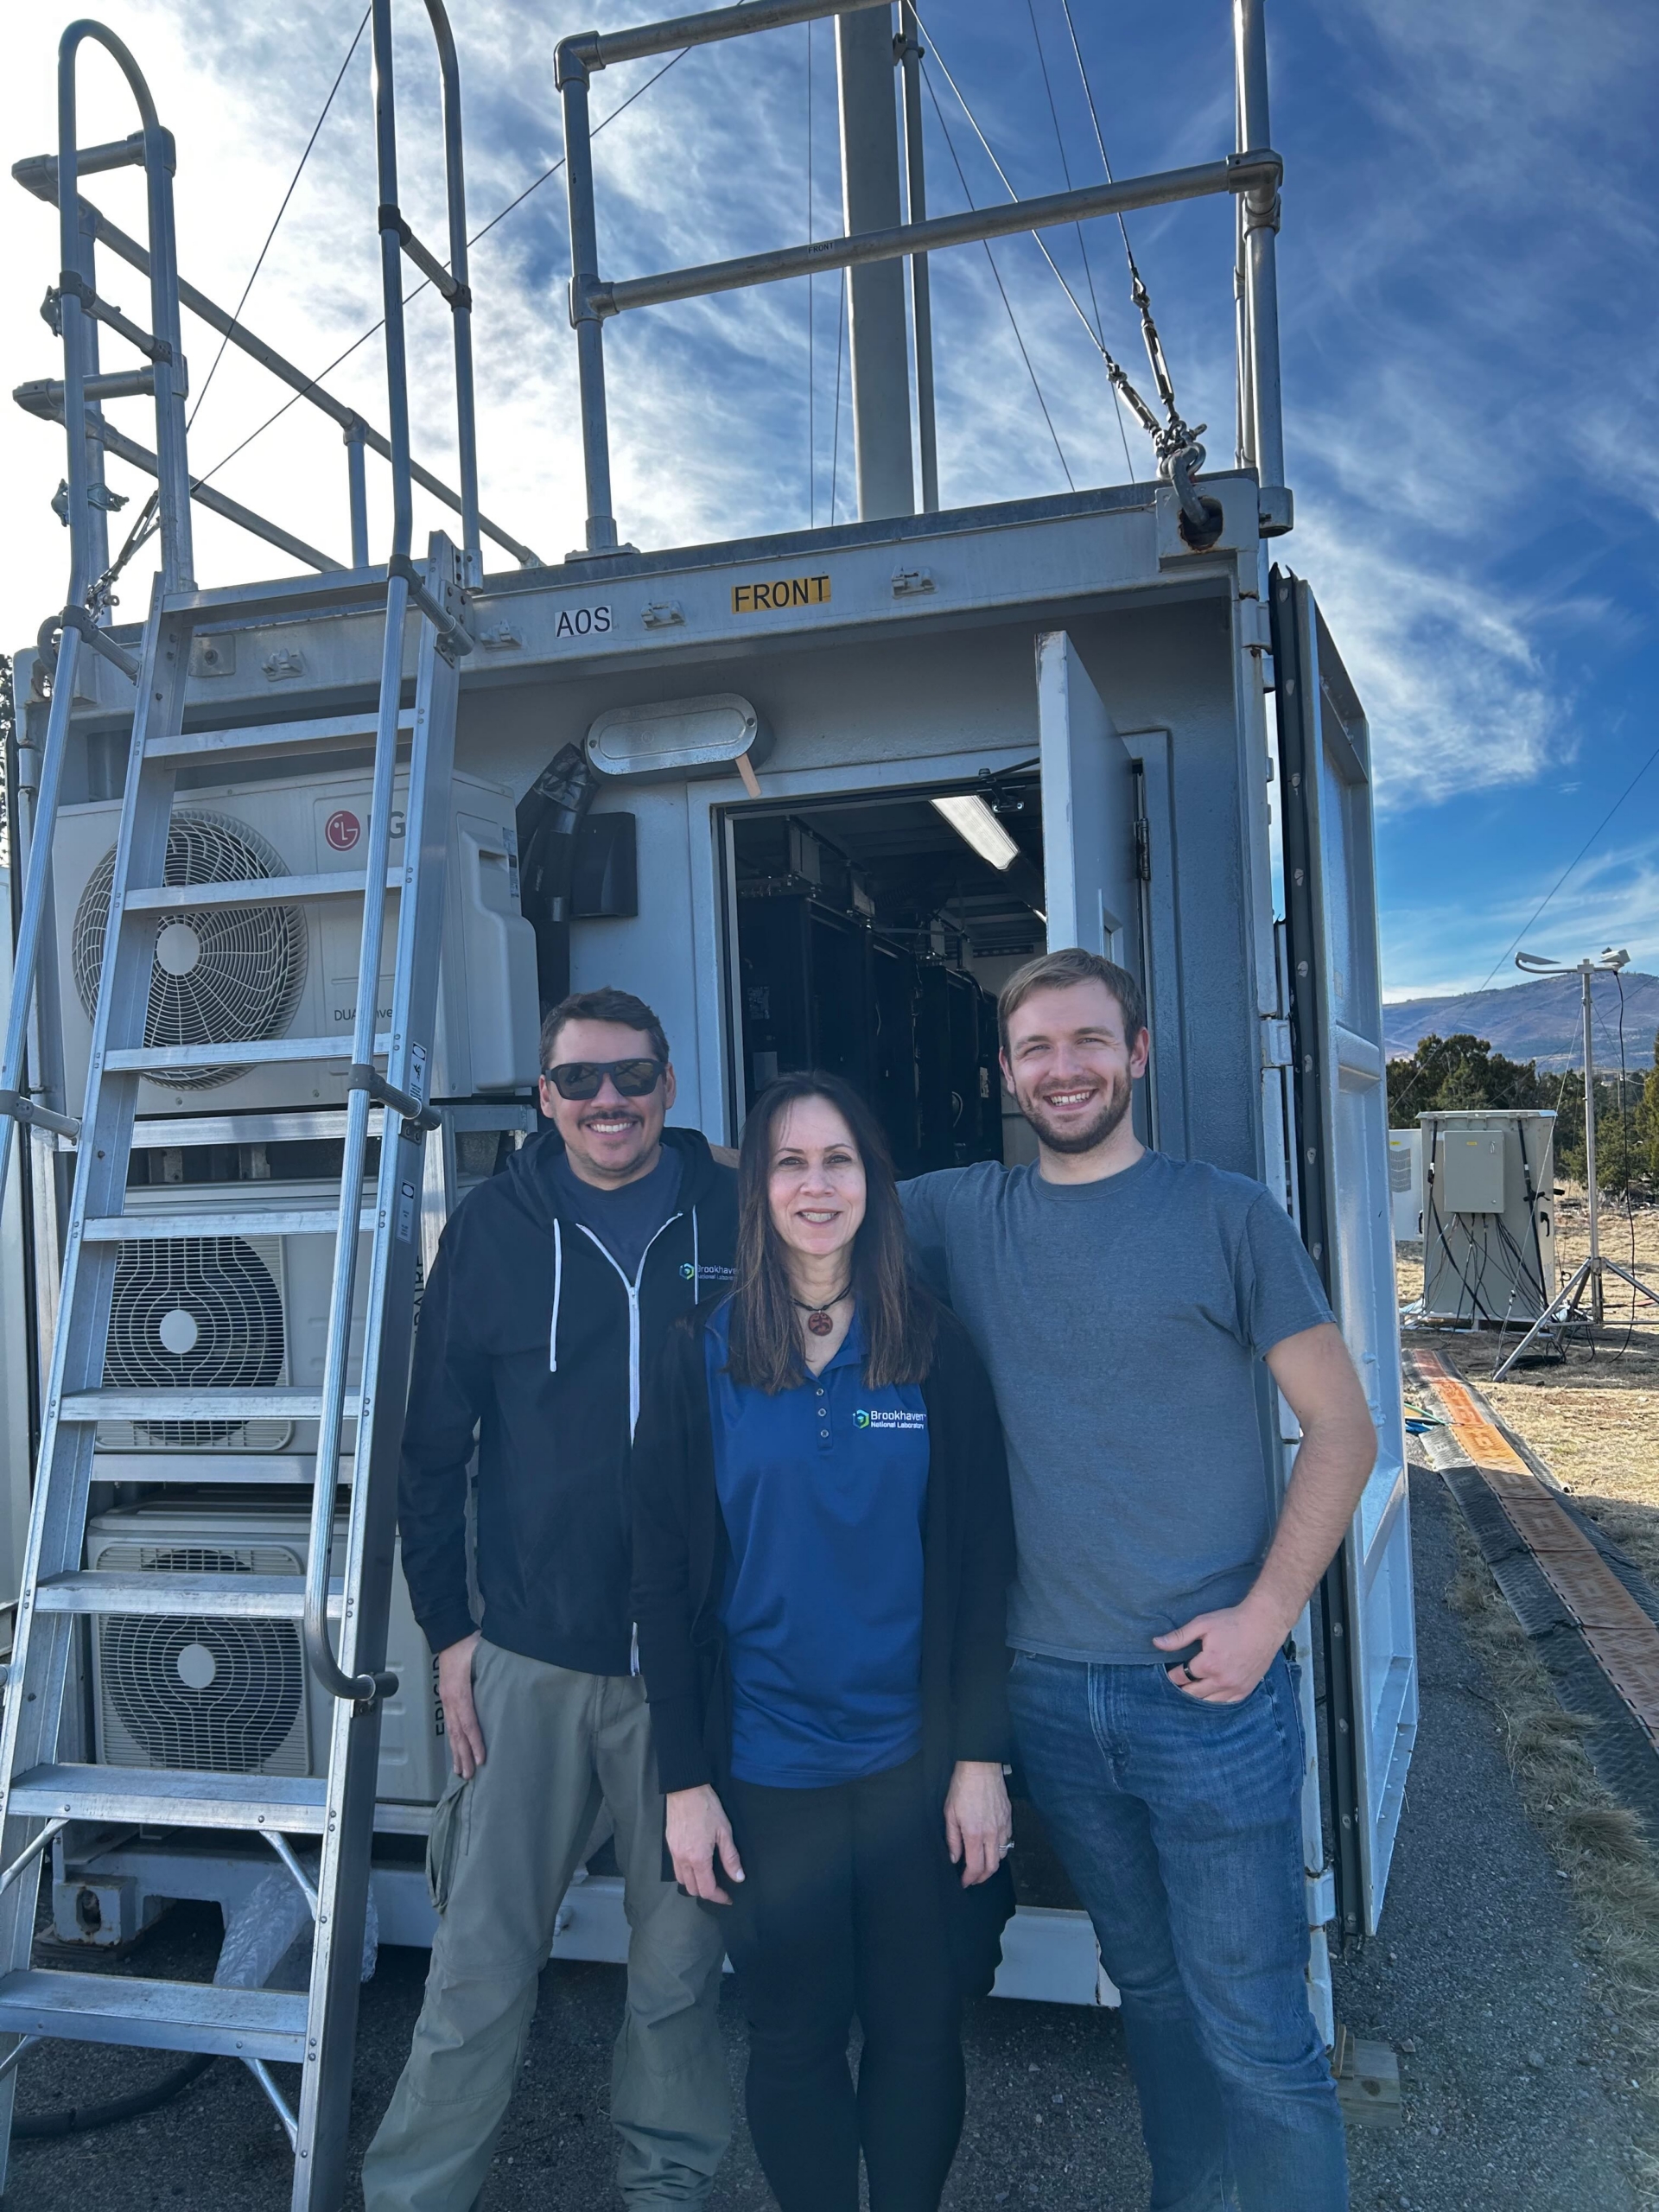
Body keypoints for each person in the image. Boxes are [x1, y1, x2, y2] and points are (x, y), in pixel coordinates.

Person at [900, 948, 1378, 2212]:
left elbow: (1344, 1428)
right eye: (1038, 1049)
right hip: (1051, 1695)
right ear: (1005, 1072)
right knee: (1153, 1996)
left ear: (1139, 1054)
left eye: (1088, 1042)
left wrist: (1269, 1619)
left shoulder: (1226, 1214)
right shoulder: (964, 1215)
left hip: (1207, 1699)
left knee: (1259, 2033)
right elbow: (804, 1192)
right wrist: (630, 1129)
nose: (1065, 1069)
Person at [362, 988, 739, 2212]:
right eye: (578, 1081)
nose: (607, 1102)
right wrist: (452, 1633)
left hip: (700, 1672)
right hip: (529, 1664)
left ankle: (667, 2189)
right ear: (544, 1096)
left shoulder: (738, 1212)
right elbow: (431, 1450)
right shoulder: (491, 1229)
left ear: (670, 1085)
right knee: (476, 1970)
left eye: (631, 1076)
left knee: (681, 1975)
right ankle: (414, 2195)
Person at [630, 1071, 1016, 2212]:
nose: (814, 1185)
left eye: (837, 1161)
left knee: (917, 2028)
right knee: (794, 2038)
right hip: (766, 1770)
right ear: (760, 1190)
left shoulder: (935, 1352)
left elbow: (986, 1566)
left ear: (871, 1183)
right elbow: (659, 1580)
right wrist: (685, 1783)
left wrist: (981, 1760)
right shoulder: (698, 1355)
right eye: (789, 1164)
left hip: (914, 1769)